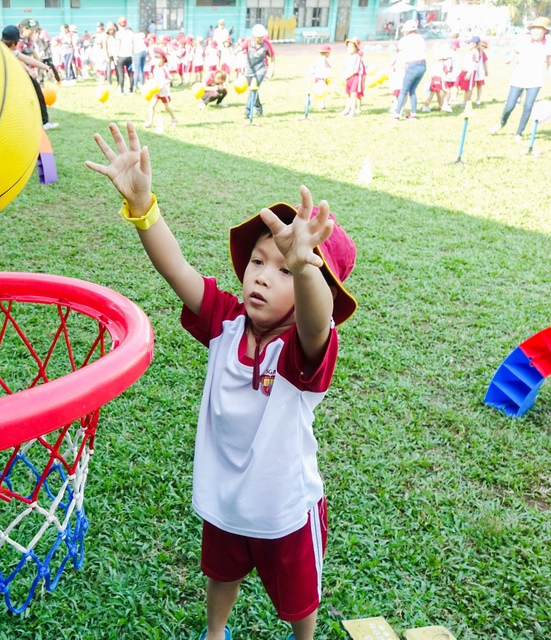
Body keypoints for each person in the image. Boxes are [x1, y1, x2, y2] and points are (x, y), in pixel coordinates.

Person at [84, 120, 356, 640]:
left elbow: (317, 320)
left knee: (299, 599)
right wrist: (143, 209)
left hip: (284, 505)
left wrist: (305, 268)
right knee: (221, 573)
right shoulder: (227, 320)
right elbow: (178, 270)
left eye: (283, 270)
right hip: (227, 493)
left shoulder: (303, 349)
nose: (260, 274)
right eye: (258, 260)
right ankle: (215, 632)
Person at [490, 17, 551, 141]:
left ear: (545, 31)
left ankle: (519, 133)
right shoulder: (524, 40)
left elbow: (550, 63)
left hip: (535, 79)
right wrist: (509, 59)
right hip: (519, 77)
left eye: (539, 29)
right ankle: (501, 123)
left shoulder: (549, 43)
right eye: (534, 28)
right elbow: (514, 52)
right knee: (509, 105)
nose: (535, 31)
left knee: (528, 106)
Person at [1, 25, 58, 130]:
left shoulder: (8, 50)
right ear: (14, 42)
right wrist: (29, 70)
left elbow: (28, 59)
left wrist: (47, 68)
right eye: (18, 41)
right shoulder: (1, 50)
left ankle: (42, 121)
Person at [391, 20, 427, 119]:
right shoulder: (420, 38)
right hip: (423, 65)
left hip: (412, 65)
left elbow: (400, 53)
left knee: (404, 90)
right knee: (412, 90)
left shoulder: (404, 40)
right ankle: (413, 113)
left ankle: (397, 113)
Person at [238, 24, 274, 120]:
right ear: (254, 36)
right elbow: (239, 48)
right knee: (253, 89)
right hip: (249, 69)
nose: (261, 38)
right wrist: (234, 52)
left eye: (262, 36)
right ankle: (259, 108)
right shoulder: (248, 42)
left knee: (253, 90)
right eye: (259, 37)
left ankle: (247, 111)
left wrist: (271, 70)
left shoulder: (266, 44)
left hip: (261, 69)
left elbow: (273, 57)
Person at [144, 47, 178, 131]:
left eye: (158, 58)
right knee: (152, 105)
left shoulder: (164, 69)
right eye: (155, 58)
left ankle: (174, 118)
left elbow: (170, 78)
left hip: (164, 92)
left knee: (167, 107)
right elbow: (155, 77)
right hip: (156, 91)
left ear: (163, 59)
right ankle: (150, 121)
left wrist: (162, 84)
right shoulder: (155, 68)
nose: (156, 60)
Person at [341, 38, 365, 117]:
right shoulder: (349, 57)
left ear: (356, 48)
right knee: (348, 94)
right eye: (348, 47)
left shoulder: (357, 57)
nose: (349, 49)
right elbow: (346, 67)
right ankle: (347, 109)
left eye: (351, 47)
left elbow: (355, 70)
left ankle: (352, 111)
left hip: (355, 77)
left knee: (353, 95)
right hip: (348, 78)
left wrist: (347, 75)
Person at [308, 45, 332, 111]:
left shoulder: (317, 60)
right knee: (323, 92)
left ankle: (316, 103)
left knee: (316, 91)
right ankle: (320, 104)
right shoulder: (326, 61)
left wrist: (310, 75)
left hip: (317, 79)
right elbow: (328, 70)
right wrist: (329, 76)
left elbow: (313, 69)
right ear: (326, 53)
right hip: (323, 79)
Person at [115, 17, 136, 94]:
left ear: (118, 24)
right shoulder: (131, 33)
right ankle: (131, 90)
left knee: (121, 74)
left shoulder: (118, 34)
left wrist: (115, 56)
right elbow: (133, 45)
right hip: (129, 56)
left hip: (121, 56)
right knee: (130, 73)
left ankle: (121, 90)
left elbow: (117, 46)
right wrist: (133, 56)